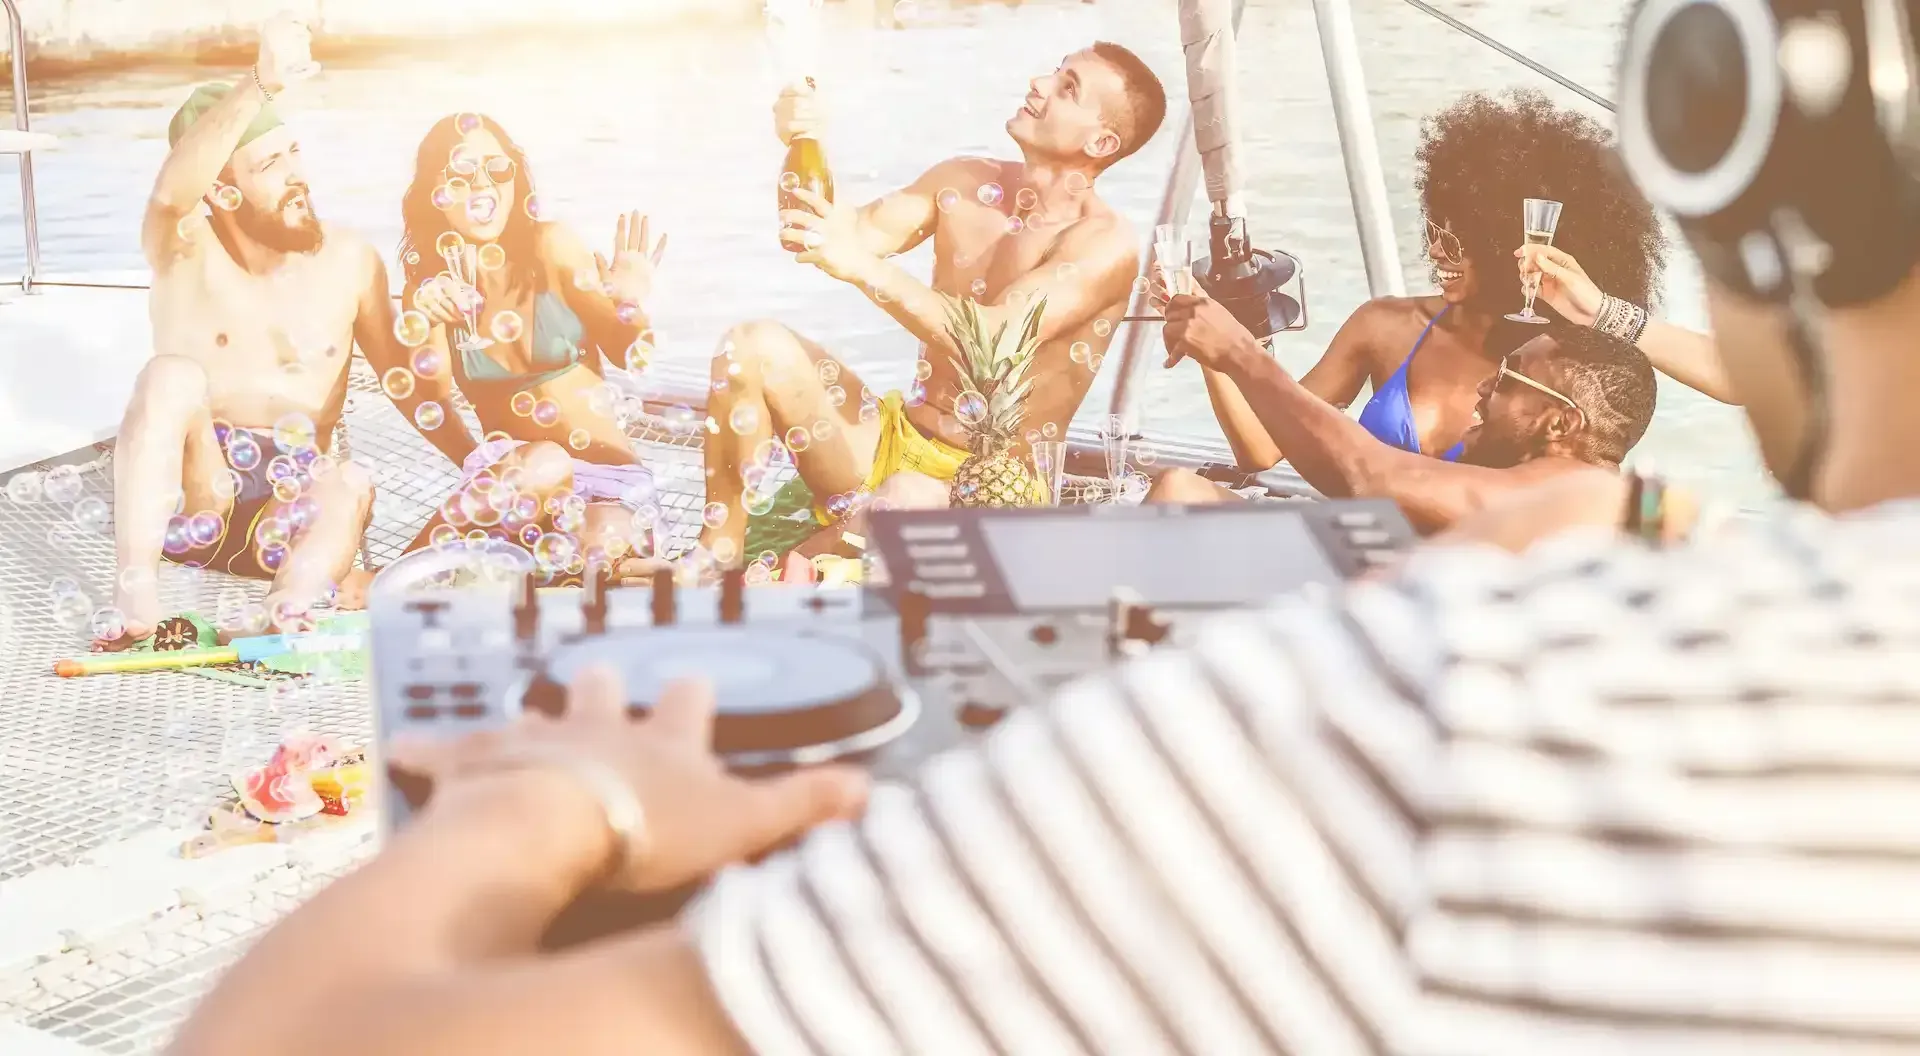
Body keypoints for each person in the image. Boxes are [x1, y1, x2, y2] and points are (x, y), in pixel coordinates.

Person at [168, 3, 1920, 1052]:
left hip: (997, 473)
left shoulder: (1445, 708)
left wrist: (576, 795)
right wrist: (809, 207)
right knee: (915, 413)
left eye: (1087, 83)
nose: (1050, 96)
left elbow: (285, 1043)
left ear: (1750, 122)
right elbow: (851, 243)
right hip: (1056, 482)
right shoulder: (1536, 482)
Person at [698, 42, 1168, 566]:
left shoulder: (1103, 242)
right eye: (1054, 72)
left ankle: (788, 572)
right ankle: (717, 556)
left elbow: (993, 338)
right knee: (752, 347)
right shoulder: (964, 180)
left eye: (1067, 88)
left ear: (1102, 141)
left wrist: (859, 264)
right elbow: (836, 230)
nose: (1039, 83)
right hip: (894, 436)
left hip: (992, 486)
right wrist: (802, 140)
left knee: (903, 499)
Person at [102, 17, 410, 648]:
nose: (296, 174)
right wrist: (259, 84)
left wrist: (482, 461)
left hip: (290, 510)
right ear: (222, 190)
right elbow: (168, 196)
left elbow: (411, 380)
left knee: (350, 479)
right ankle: (136, 600)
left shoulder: (351, 260)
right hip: (200, 506)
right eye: (270, 162)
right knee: (170, 376)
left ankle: (287, 610)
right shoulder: (184, 251)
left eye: (294, 153)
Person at [1203, 88, 1680, 474]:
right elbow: (1262, 449)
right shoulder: (1385, 324)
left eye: (1455, 241)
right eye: (1434, 230)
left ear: (1504, 250)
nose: (1434, 251)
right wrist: (1212, 335)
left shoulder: (1564, 369)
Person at [384, 113, 665, 575]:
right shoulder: (431, 287)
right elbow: (430, 398)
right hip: (517, 484)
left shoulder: (551, 245)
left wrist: (631, 297)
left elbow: (630, 351)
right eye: (461, 174)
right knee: (546, 461)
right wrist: (427, 316)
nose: (483, 187)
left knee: (598, 547)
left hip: (609, 482)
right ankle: (395, 578)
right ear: (434, 193)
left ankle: (554, 578)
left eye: (497, 169)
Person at [1148, 292, 1658, 533]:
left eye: (1506, 380)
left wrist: (1242, 353)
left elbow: (1370, 475)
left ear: (1560, 423)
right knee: (1181, 490)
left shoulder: (1557, 499)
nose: (1484, 387)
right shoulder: (1581, 489)